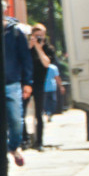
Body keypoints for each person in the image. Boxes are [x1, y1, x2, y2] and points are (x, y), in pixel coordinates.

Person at [2, 0, 32, 167]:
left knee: (15, 119)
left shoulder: (15, 32)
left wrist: (27, 82)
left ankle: (13, 147)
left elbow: (25, 58)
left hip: (12, 82)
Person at [28, 22, 56, 150]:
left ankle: (39, 141)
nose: (39, 38)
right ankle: (25, 139)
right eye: (36, 35)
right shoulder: (28, 47)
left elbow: (46, 63)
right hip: (27, 82)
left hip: (39, 83)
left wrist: (39, 48)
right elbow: (22, 59)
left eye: (41, 35)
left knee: (39, 114)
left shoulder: (48, 48)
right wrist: (30, 46)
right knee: (22, 111)